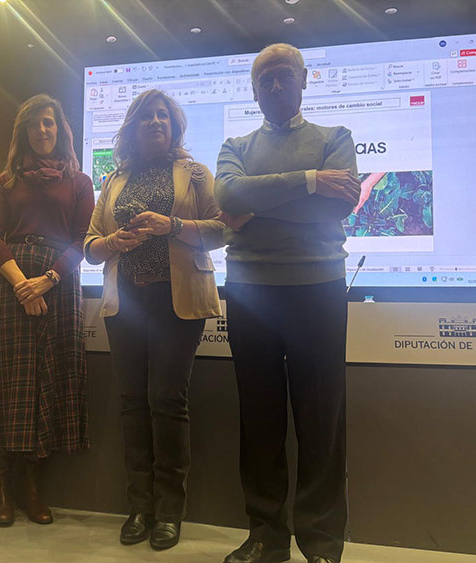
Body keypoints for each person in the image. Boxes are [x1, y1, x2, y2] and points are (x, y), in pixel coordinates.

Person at [215, 44, 361, 563]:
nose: (275, 87)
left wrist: (258, 204)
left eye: (284, 77)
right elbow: (228, 197)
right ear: (253, 90)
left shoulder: (335, 138)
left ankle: (321, 543)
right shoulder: (234, 146)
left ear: (304, 79)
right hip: (250, 292)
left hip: (318, 288)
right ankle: (266, 537)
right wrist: (310, 182)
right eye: (265, 81)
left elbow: (336, 208)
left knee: (322, 419)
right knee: (259, 418)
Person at [84, 89, 226, 550]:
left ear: (175, 125)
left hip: (175, 302)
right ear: (133, 128)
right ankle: (139, 507)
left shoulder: (195, 174)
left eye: (163, 115)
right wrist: (113, 242)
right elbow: (89, 245)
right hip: (125, 301)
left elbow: (223, 229)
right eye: (146, 116)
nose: (156, 122)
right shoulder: (114, 180)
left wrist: (173, 226)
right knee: (132, 403)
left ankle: (168, 511)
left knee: (167, 401)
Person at [0, 94, 93, 527]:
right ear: (24, 133)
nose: (42, 130)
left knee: (47, 382)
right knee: (4, 383)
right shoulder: (7, 181)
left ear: (60, 129)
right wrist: (22, 286)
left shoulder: (80, 181)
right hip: (10, 286)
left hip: (59, 286)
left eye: (49, 123)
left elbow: (83, 240)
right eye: (34, 124)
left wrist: (47, 280)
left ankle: (33, 486)